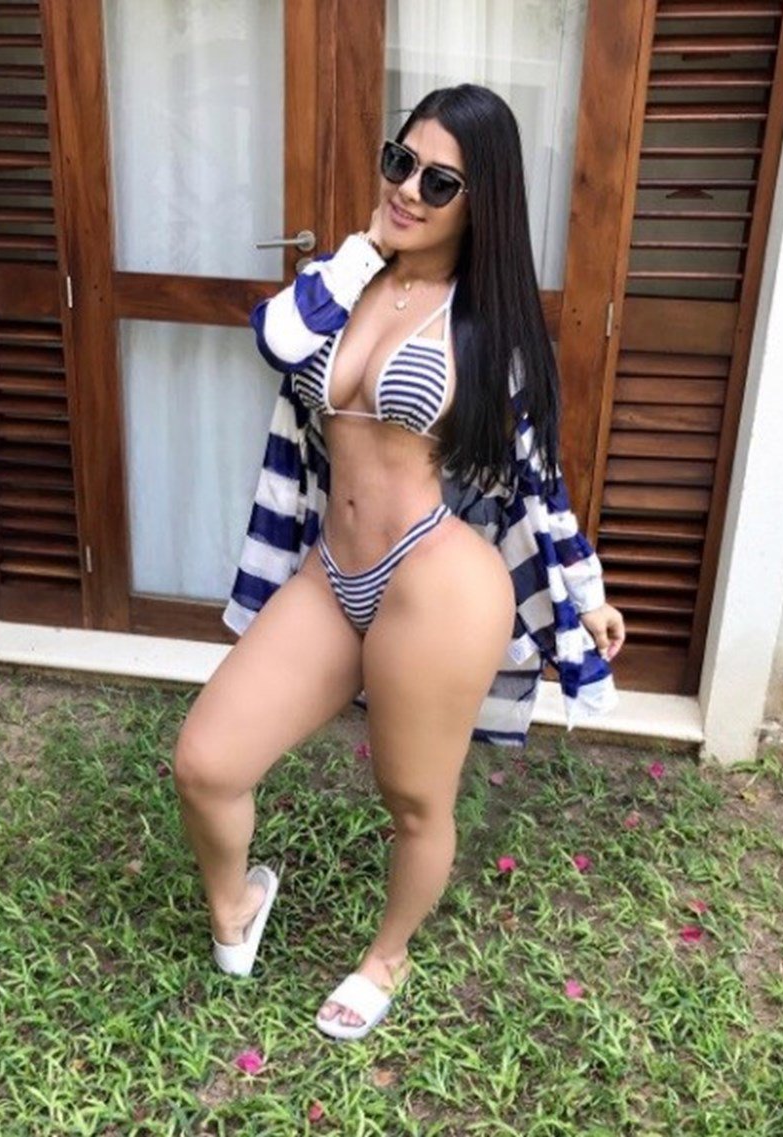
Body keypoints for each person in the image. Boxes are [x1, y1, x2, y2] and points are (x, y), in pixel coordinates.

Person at [173, 84, 625, 1042]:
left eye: (439, 180)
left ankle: (388, 955)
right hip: (332, 572)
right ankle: (236, 902)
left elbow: (537, 477)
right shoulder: (341, 283)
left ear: (482, 199)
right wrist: (363, 251)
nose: (409, 188)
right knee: (207, 763)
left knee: (414, 797)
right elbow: (275, 340)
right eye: (400, 162)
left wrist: (585, 595)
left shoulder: (488, 327)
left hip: (437, 578)